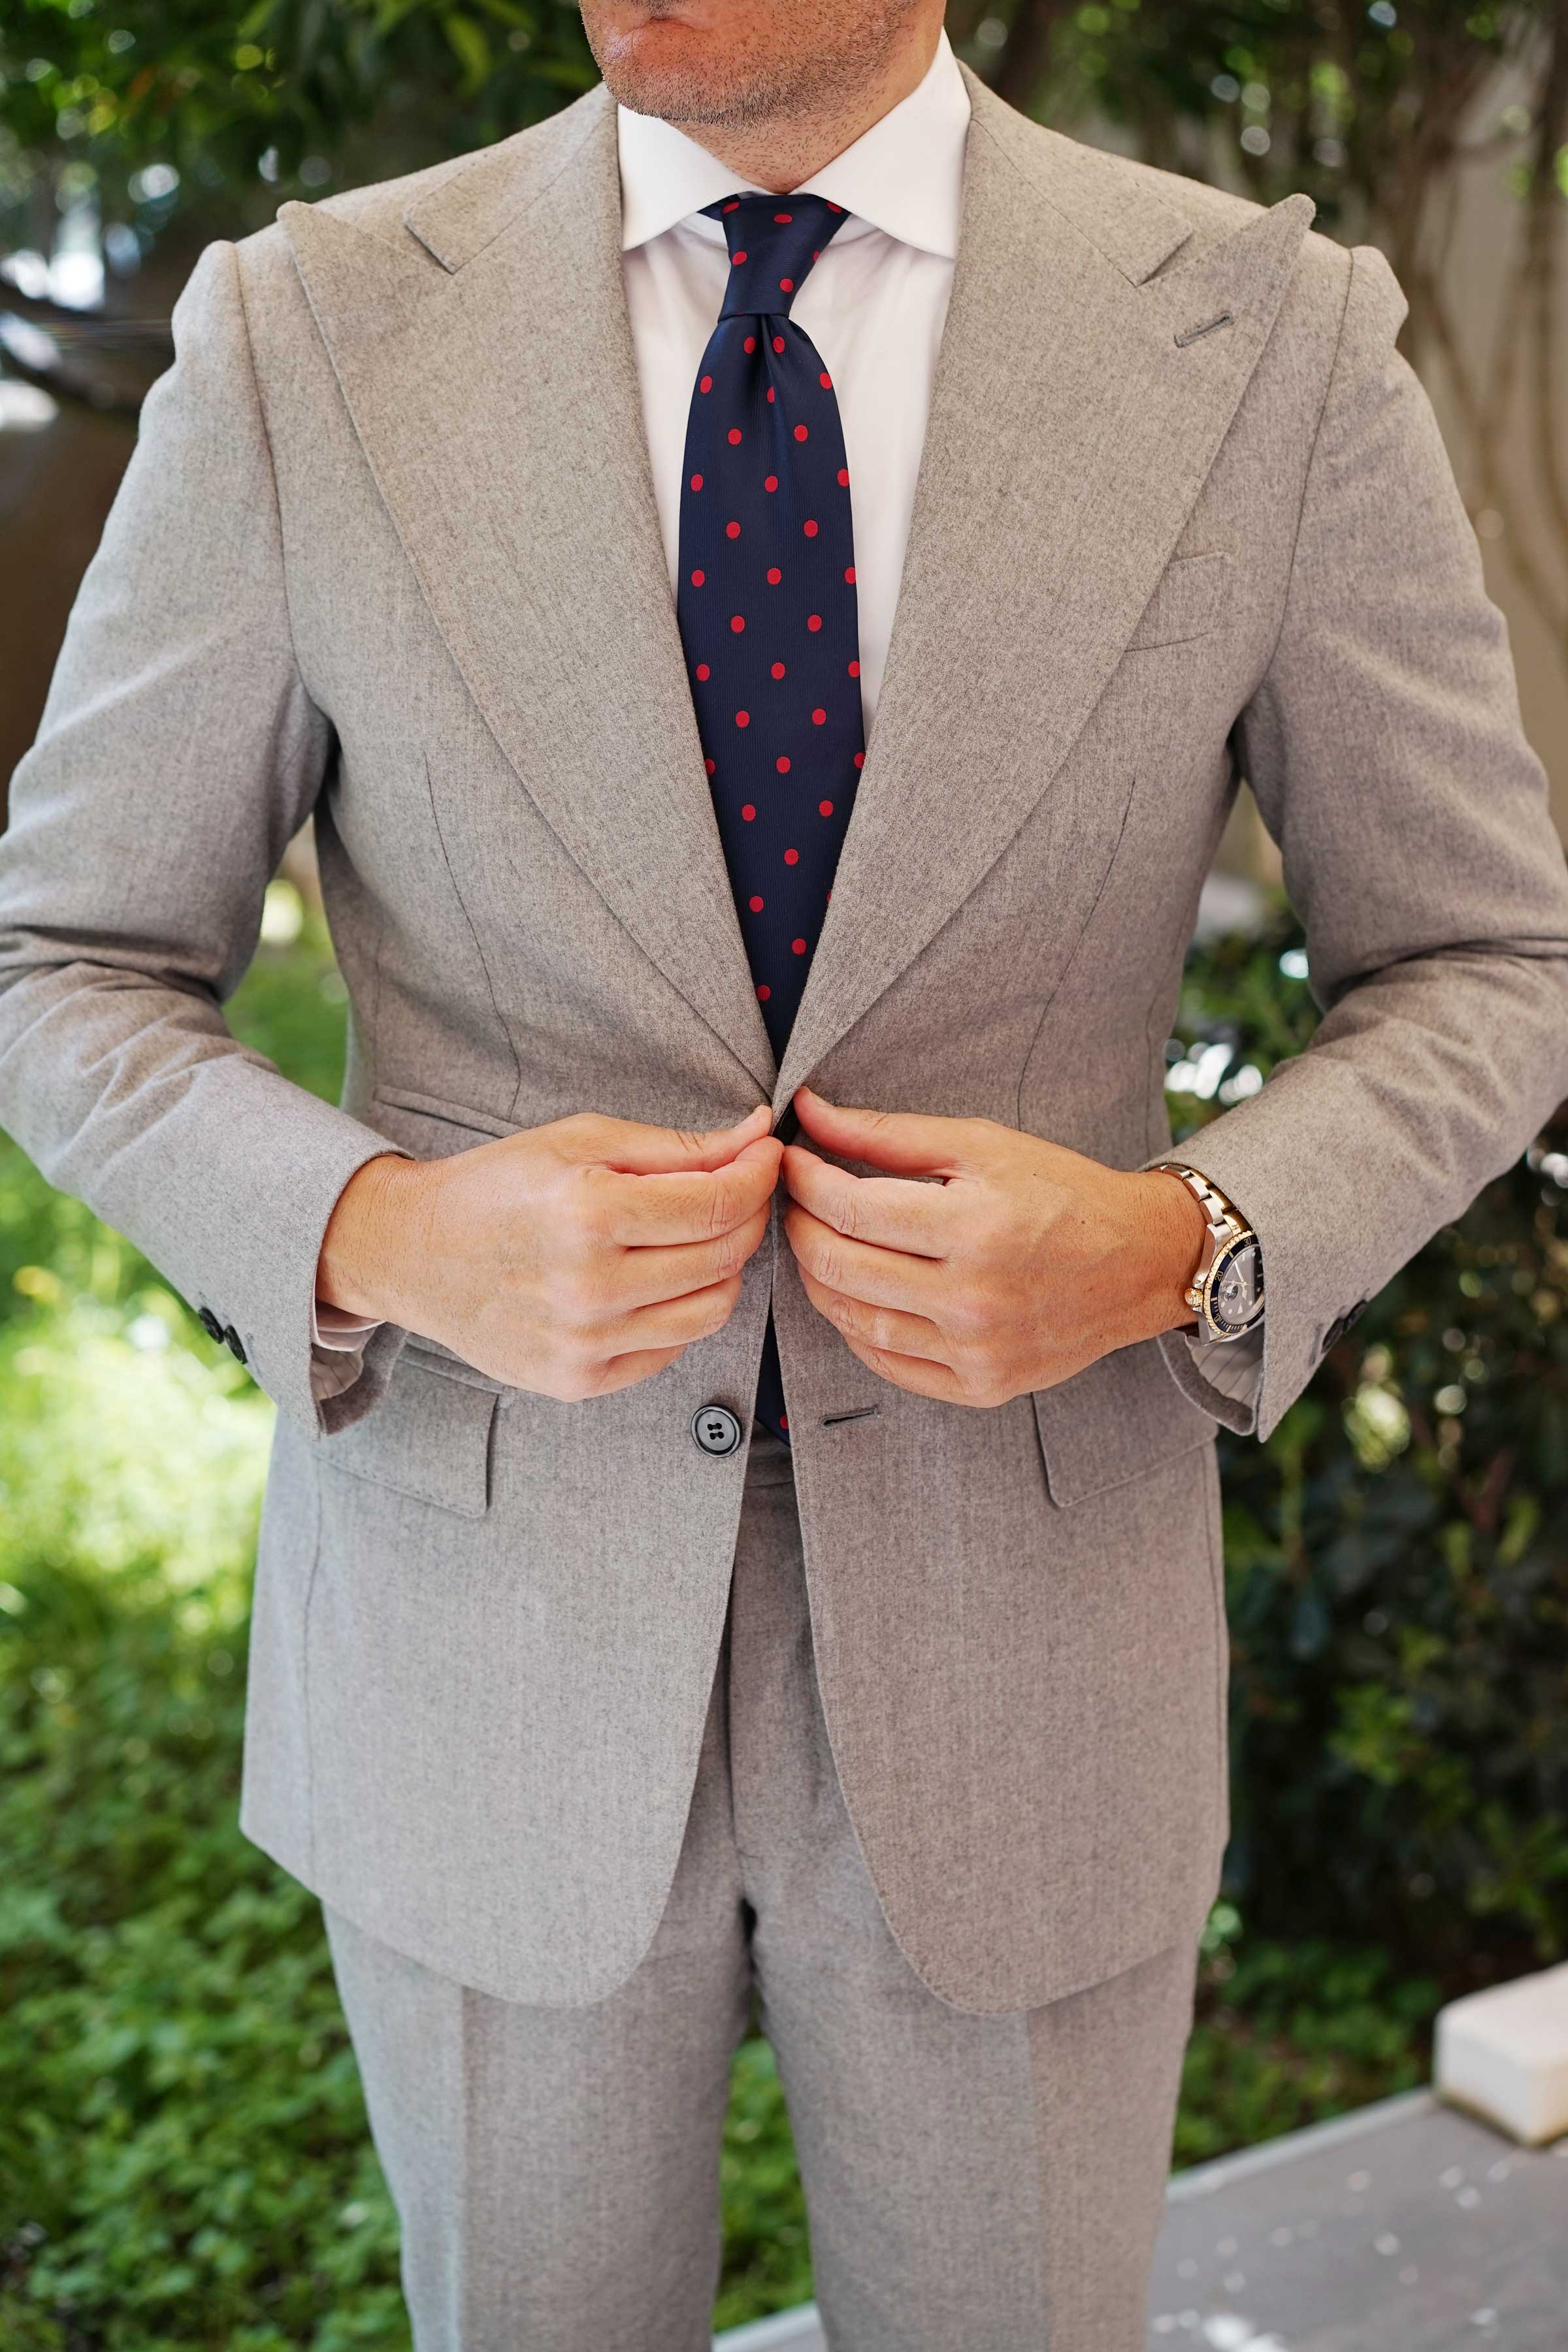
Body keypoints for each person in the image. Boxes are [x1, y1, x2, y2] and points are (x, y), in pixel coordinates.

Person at [3, 0, 1567, 2342]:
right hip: (483, 1650)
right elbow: (62, 959)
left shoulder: (1269, 334)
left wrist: (1181, 1245)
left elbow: (1488, 961)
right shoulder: (303, 329)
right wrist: (383, 1235)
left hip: (1033, 1648)